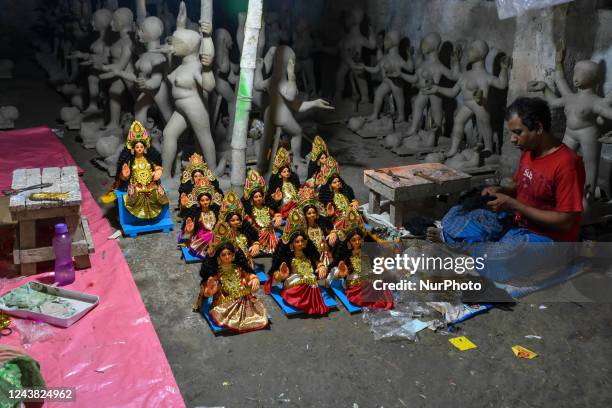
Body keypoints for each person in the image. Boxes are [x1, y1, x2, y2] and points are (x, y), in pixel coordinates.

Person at [427, 97, 585, 244]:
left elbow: (566, 222)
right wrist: (503, 190)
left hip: (550, 238)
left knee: (498, 257)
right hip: (518, 221)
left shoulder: (567, 164)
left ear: (538, 128)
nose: (512, 139)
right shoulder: (529, 150)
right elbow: (520, 185)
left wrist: (514, 205)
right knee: (459, 214)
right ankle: (467, 246)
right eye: (511, 132)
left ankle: (466, 247)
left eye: (518, 132)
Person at [193, 222, 268, 333]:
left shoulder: (238, 267)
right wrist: (210, 290)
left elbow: (248, 275)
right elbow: (206, 291)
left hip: (243, 299)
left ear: (233, 255)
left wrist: (254, 279)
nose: (227, 257)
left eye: (229, 254)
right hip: (224, 303)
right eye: (223, 255)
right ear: (218, 257)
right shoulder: (216, 271)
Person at [116, 120, 169, 219]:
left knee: (157, 193)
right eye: (137, 147)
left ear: (144, 147)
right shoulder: (130, 161)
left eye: (141, 146)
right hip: (137, 188)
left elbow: (156, 166)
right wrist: (124, 174)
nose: (139, 149)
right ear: (133, 148)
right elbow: (123, 178)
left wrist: (159, 170)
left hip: (151, 186)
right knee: (134, 195)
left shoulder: (148, 159)